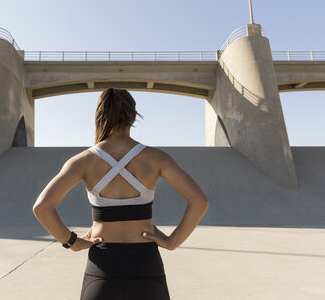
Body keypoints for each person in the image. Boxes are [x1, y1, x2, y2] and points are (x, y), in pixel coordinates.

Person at [32, 88, 209, 300]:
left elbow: (42, 208)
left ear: (99, 116)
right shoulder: (157, 158)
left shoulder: (82, 161)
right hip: (146, 264)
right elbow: (200, 201)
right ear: (134, 116)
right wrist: (172, 242)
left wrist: (72, 242)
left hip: (103, 266)